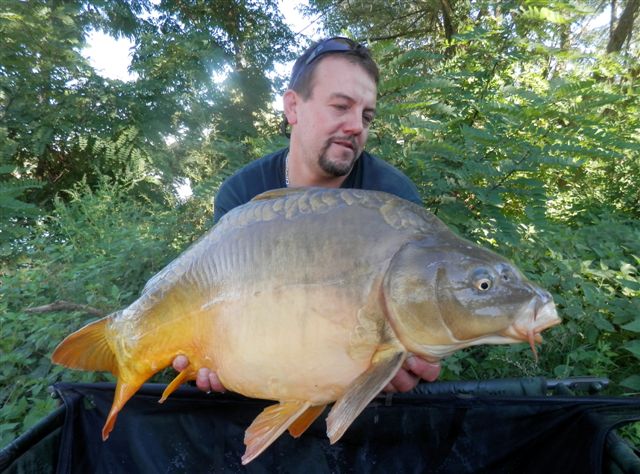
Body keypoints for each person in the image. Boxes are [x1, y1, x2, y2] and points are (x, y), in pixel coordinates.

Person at [173, 37, 440, 394]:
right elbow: (220, 305)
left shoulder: (392, 201)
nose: (356, 126)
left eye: (366, 115)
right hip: (265, 383)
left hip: (364, 405)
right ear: (293, 108)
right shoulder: (242, 194)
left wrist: (421, 352)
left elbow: (424, 311)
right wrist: (213, 355)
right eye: (341, 106)